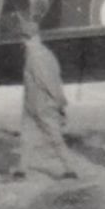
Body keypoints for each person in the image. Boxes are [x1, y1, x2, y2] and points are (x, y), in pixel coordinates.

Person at [13, 20, 77, 181]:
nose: (20, 39)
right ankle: (22, 169)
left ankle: (70, 169)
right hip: (34, 103)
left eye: (21, 35)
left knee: (53, 136)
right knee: (30, 136)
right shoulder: (43, 52)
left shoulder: (36, 56)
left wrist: (60, 101)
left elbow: (48, 81)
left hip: (41, 104)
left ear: (26, 36)